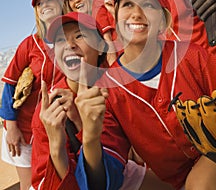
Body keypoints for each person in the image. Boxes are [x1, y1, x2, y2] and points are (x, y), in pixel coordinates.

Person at [74, 0, 216, 190]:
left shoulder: (191, 55)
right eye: (128, 4)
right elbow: (100, 180)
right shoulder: (107, 89)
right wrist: (91, 138)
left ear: (163, 20)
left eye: (148, 4)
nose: (137, 13)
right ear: (116, 17)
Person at [31, 12, 167, 190]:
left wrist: (81, 123)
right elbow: (55, 183)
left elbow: (114, 167)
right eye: (61, 40)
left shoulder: (116, 87)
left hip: (113, 170)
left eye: (79, 36)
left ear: (101, 47)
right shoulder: (49, 110)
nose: (70, 45)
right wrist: (56, 146)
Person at [0, 0, 64, 190]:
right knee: (30, 186)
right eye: (39, 4)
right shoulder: (29, 44)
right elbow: (10, 84)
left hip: (55, 130)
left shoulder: (71, 40)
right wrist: (11, 127)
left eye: (49, 1)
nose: (44, 5)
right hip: (24, 129)